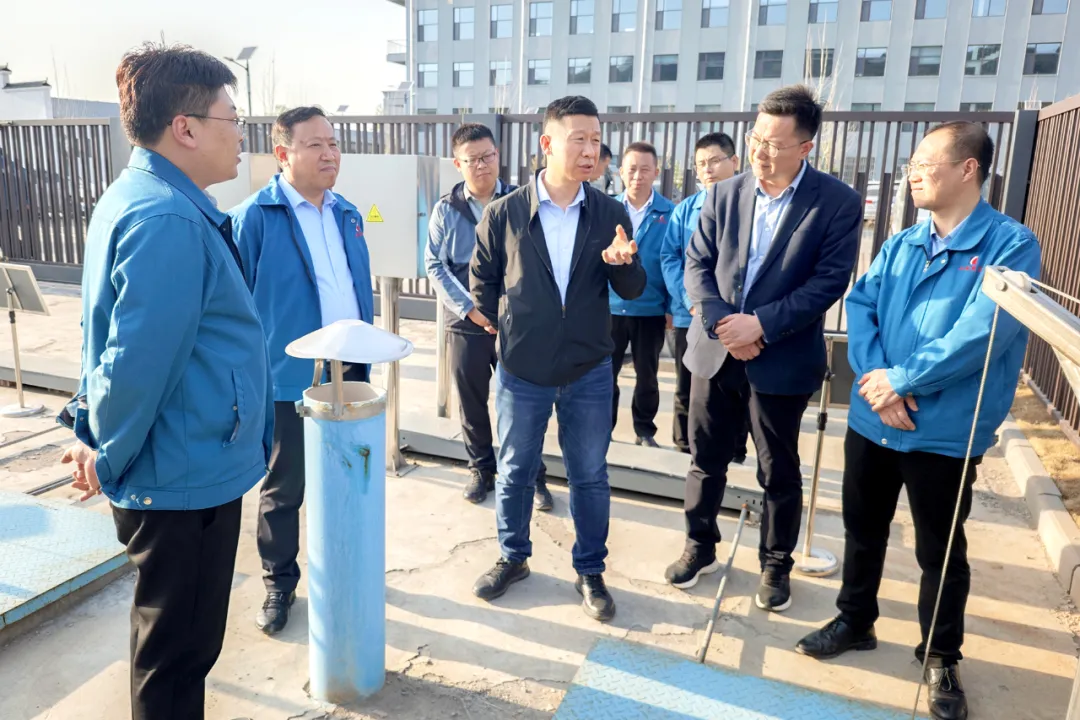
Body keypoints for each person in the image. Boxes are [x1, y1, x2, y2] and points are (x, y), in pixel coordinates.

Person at [795, 122, 1041, 720]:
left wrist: (902, 382)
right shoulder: (903, 243)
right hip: (874, 419)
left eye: (925, 161)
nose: (912, 173)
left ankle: (940, 655)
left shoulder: (1010, 245)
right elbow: (862, 306)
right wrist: (878, 382)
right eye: (912, 163)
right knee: (863, 529)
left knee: (940, 549)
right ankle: (855, 620)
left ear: (968, 169)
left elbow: (981, 332)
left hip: (944, 430)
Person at [58, 43, 273, 720]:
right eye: (231, 118)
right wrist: (105, 452)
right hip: (180, 476)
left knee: (173, 654)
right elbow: (134, 361)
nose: (241, 133)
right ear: (185, 128)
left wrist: (91, 427)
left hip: (182, 462)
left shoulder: (143, 198)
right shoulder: (170, 219)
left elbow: (107, 338)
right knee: (177, 659)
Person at [664, 85, 861, 605]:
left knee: (778, 468)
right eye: (755, 138)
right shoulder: (724, 194)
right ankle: (699, 546)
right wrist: (725, 324)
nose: (760, 151)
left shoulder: (835, 203)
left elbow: (827, 283)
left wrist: (761, 326)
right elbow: (697, 264)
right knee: (705, 458)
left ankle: (775, 565)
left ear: (805, 146)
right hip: (715, 352)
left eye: (774, 143)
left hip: (782, 357)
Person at [470, 96, 645, 622]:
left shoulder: (610, 213)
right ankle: (513, 557)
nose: (590, 151)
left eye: (596, 141)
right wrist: (506, 327)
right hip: (522, 371)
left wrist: (622, 264)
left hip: (589, 370)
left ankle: (590, 570)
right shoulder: (505, 212)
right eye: (579, 140)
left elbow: (633, 288)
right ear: (547, 143)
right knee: (514, 470)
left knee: (589, 475)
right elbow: (483, 280)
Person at [231, 106, 375, 635]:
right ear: (283, 153)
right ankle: (279, 582)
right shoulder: (254, 217)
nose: (330, 153)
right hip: (290, 375)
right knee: (285, 485)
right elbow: (233, 305)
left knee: (347, 475)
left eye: (333, 143)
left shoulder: (347, 213)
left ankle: (342, 562)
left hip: (349, 368)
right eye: (315, 144)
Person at [424, 123, 553, 510]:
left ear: (498, 156)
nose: (482, 165)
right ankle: (481, 469)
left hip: (517, 322)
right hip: (466, 322)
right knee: (472, 401)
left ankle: (533, 475)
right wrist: (472, 309)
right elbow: (434, 264)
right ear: (457, 164)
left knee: (524, 403)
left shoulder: (521, 201)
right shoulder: (446, 209)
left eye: (488, 156)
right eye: (472, 159)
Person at [660, 132, 745, 455]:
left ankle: (735, 450)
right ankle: (685, 447)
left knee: (736, 389)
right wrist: (691, 302)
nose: (707, 170)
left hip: (737, 319)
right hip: (692, 316)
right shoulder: (686, 210)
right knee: (688, 387)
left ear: (734, 161)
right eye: (700, 164)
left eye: (714, 161)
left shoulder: (749, 207)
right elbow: (670, 258)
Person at [610, 141, 674, 447]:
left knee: (647, 375)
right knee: (604, 374)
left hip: (650, 309)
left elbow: (675, 262)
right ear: (621, 172)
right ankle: (602, 427)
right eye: (632, 169)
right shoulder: (607, 209)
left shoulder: (670, 213)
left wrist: (671, 306)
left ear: (656, 172)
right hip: (609, 308)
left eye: (645, 169)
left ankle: (645, 430)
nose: (638, 176)